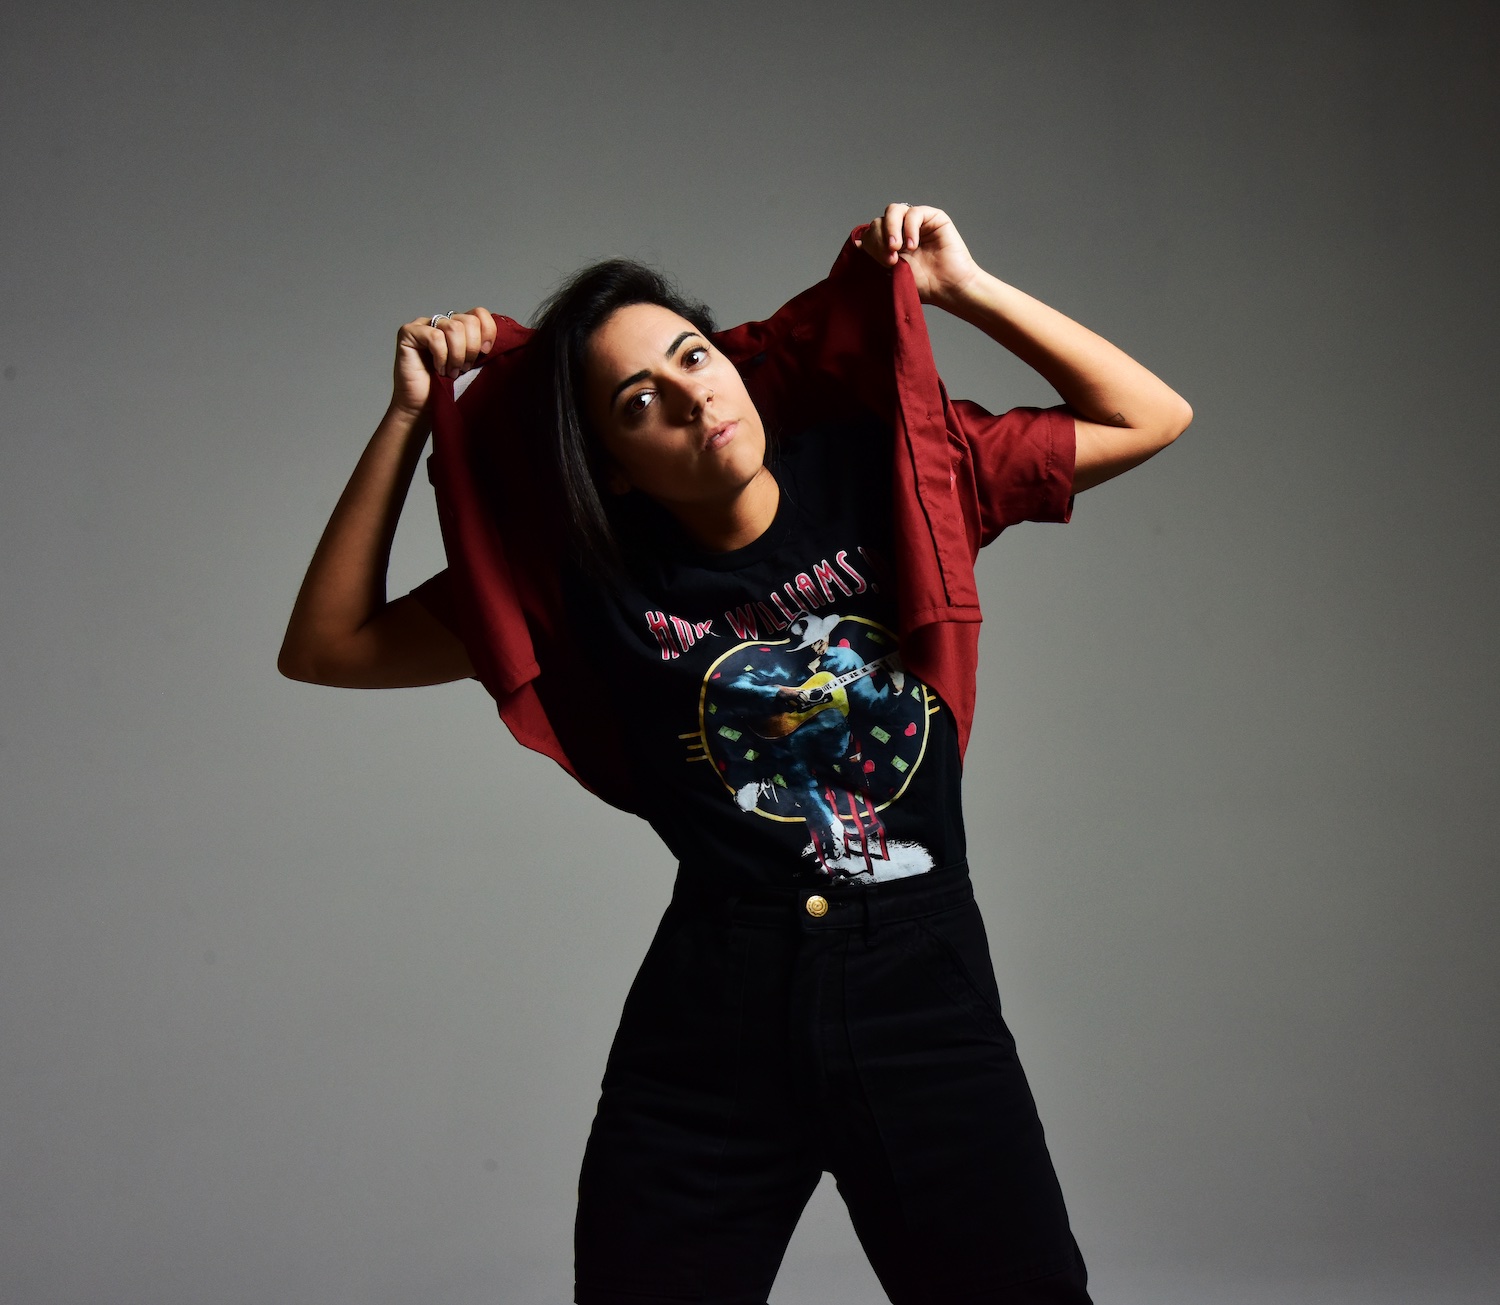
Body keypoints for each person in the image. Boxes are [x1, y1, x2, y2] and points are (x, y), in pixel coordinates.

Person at [279, 203, 1192, 1304]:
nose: (689, 397)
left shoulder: (895, 474)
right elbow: (326, 646)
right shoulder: (584, 585)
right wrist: (409, 416)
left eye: (693, 356)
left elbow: (1151, 415)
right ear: (614, 469)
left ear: (735, 367)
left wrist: (964, 289)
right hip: (712, 1014)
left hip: (916, 983)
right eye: (638, 402)